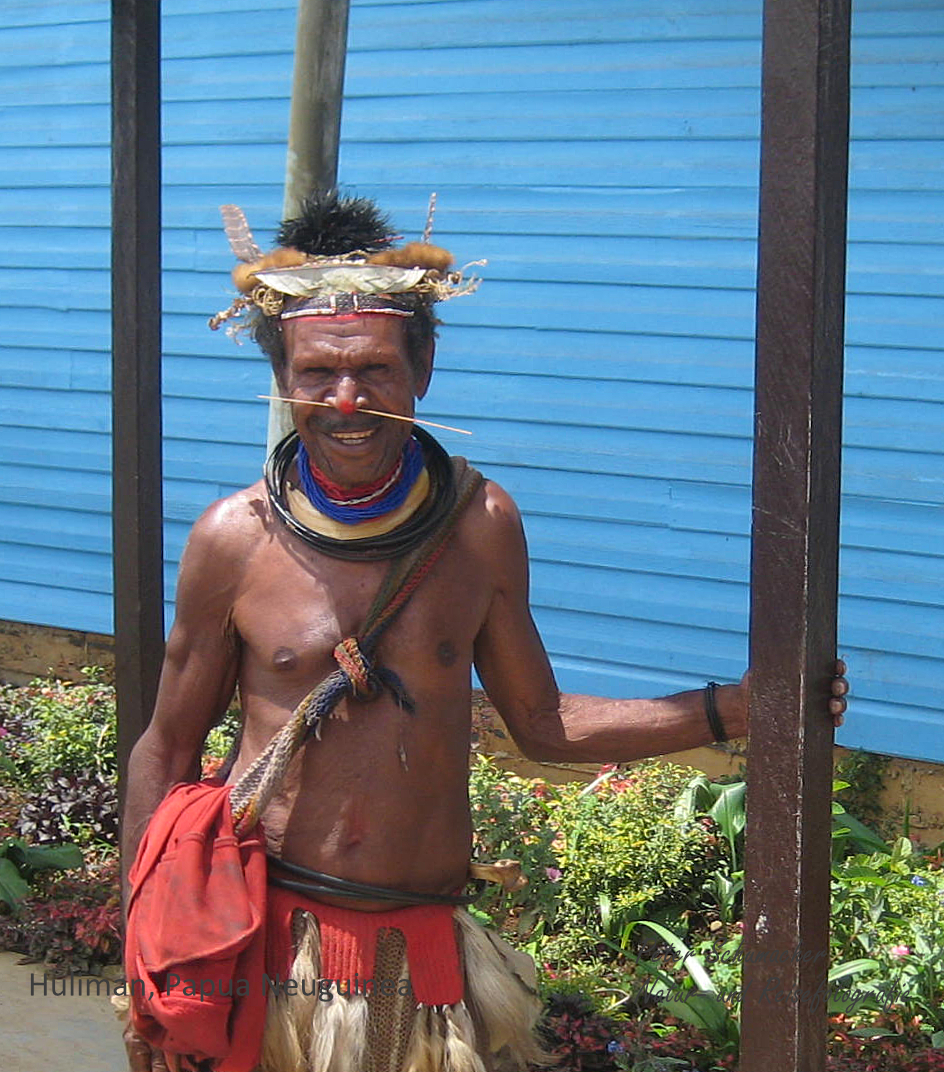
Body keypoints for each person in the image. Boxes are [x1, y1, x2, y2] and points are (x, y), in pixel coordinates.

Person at [121, 192, 848, 1072]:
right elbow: (167, 749)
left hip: (420, 962)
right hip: (269, 951)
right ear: (283, 376)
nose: (347, 400)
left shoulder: (480, 526)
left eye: (376, 370)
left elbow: (543, 724)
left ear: (423, 369)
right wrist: (147, 960)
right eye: (317, 373)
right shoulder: (233, 541)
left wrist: (737, 709)